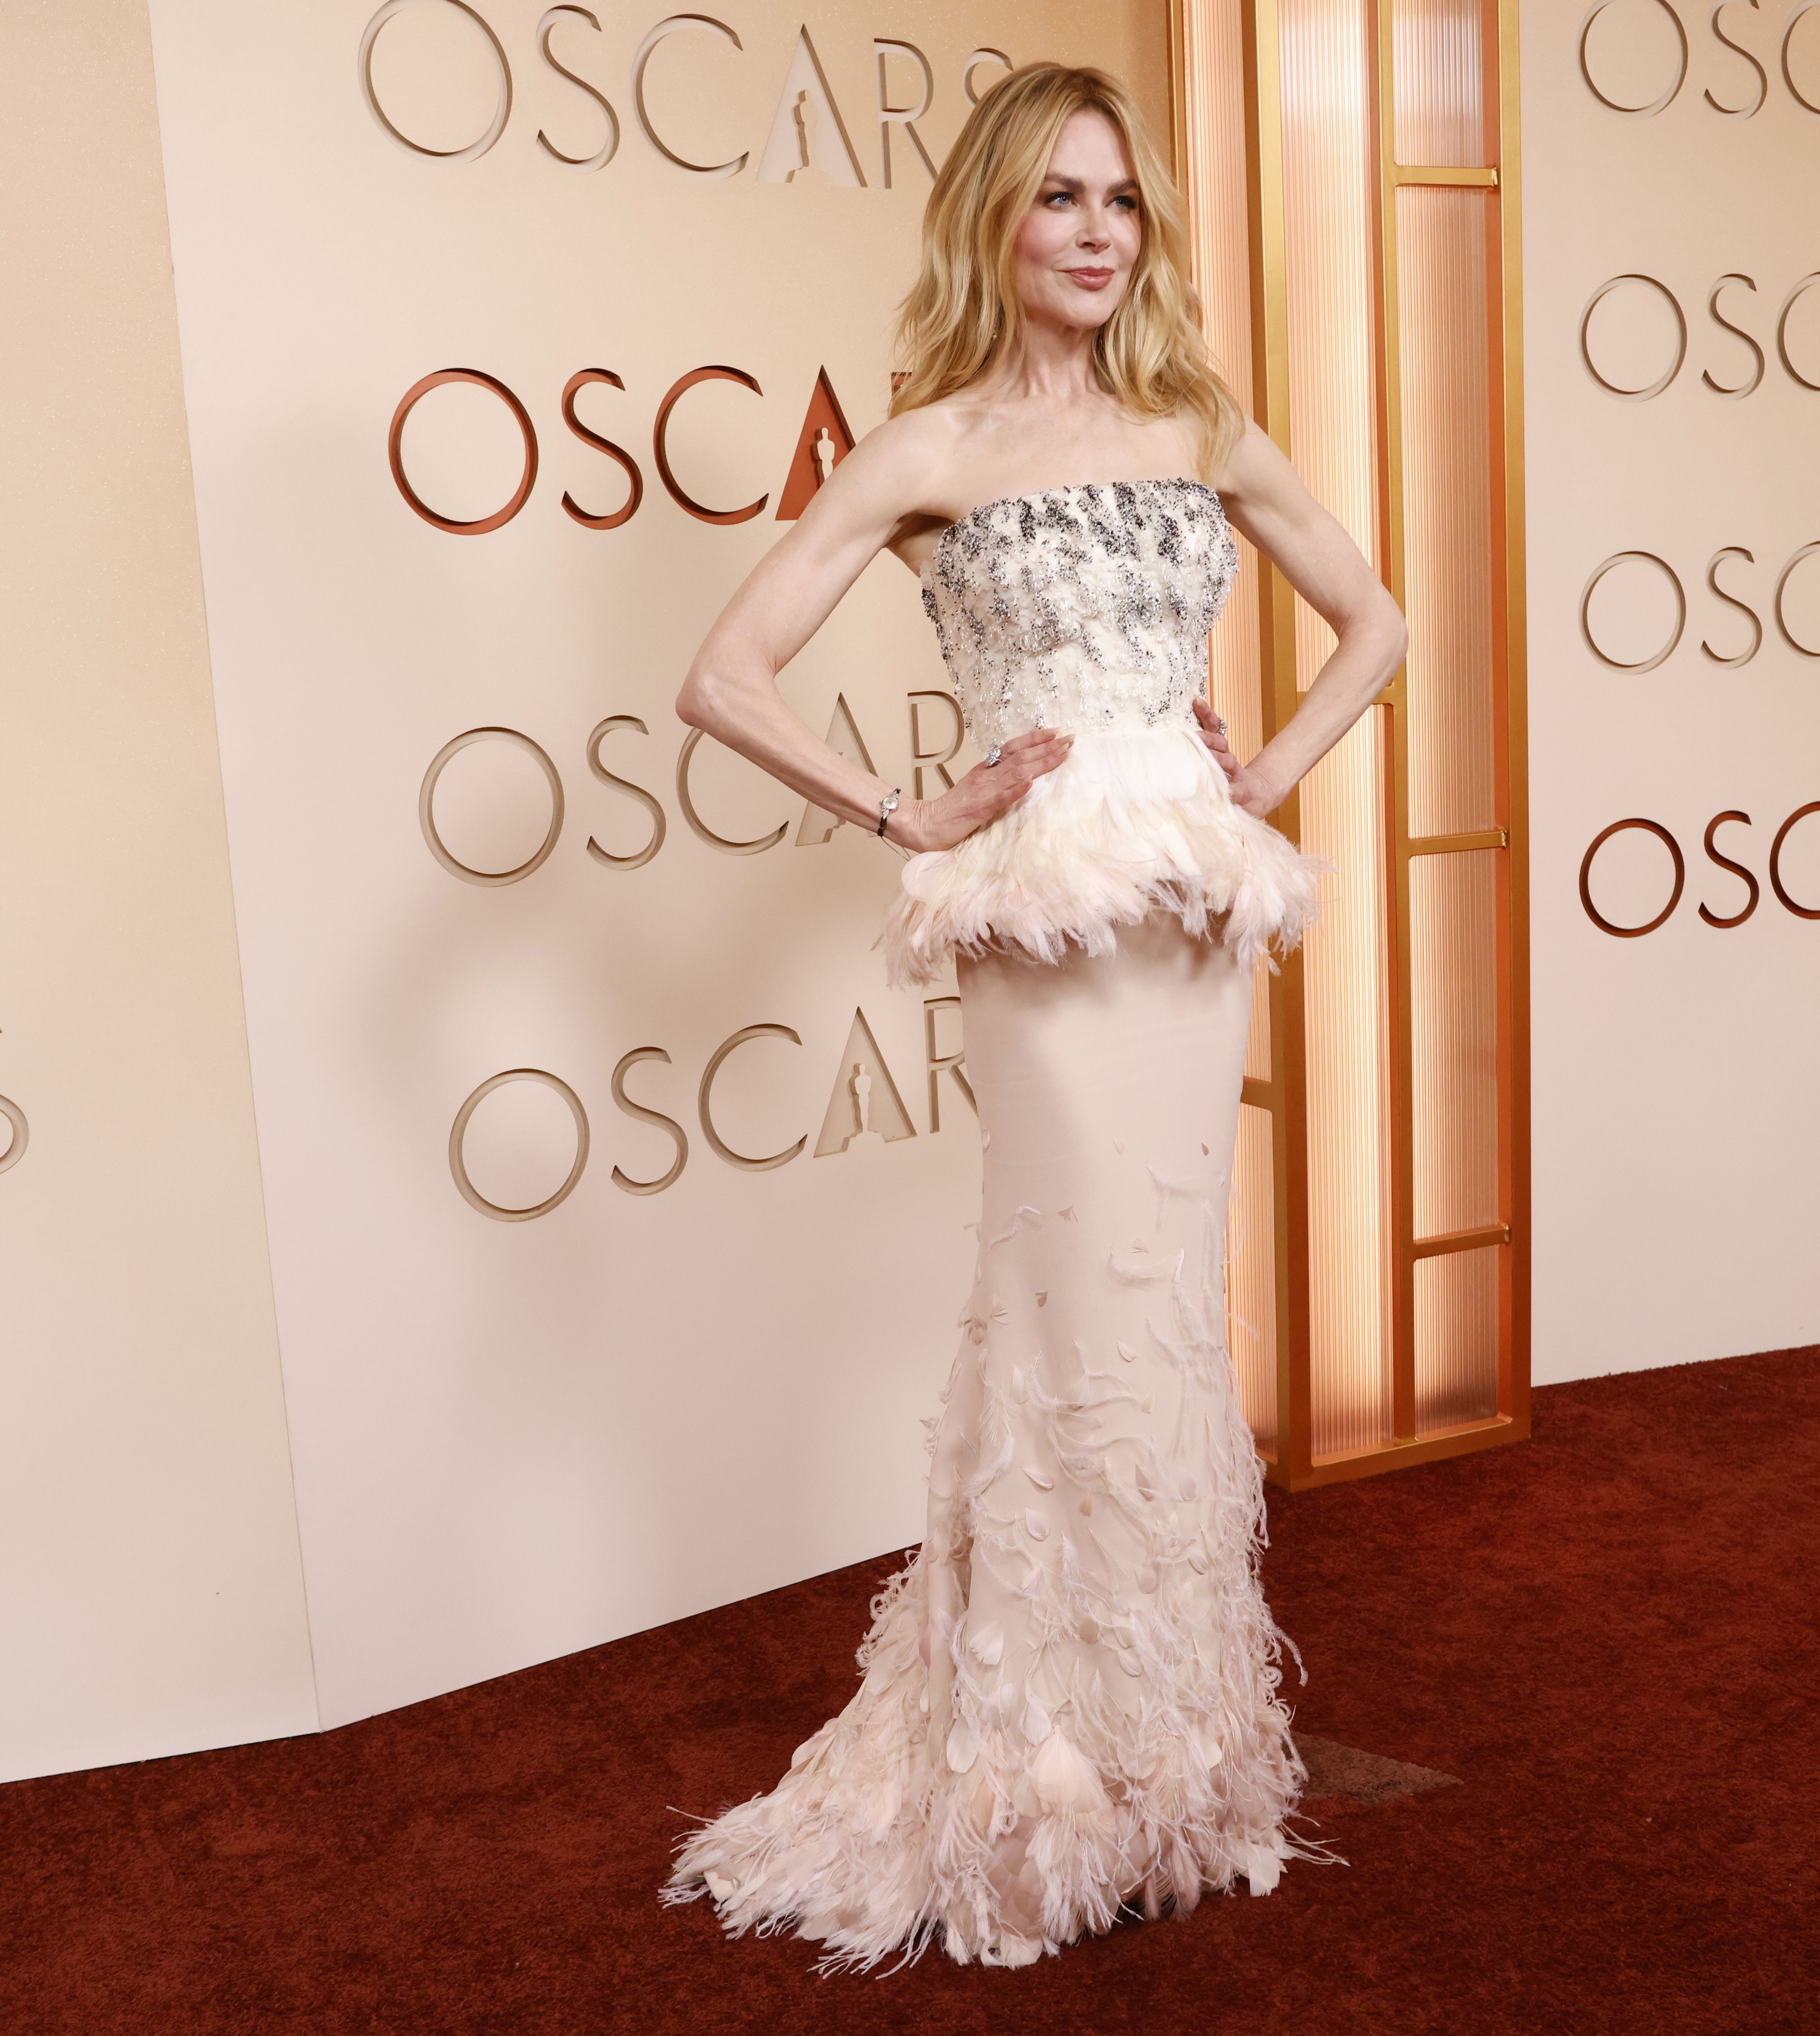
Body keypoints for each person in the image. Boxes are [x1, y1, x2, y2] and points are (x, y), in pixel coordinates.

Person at [665, 62, 1405, 1968]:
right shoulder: (922, 448)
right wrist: (911, 811)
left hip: (1179, 895)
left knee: (1161, 1297)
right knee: (1066, 1291)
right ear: (993, 218)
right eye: (1061, 198)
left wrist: (1259, 781)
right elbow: (724, 671)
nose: (1096, 232)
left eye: (1123, 201)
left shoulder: (1198, 424)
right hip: (1043, 909)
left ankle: (1167, 1757)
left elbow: (1379, 623)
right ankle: (1029, 1767)